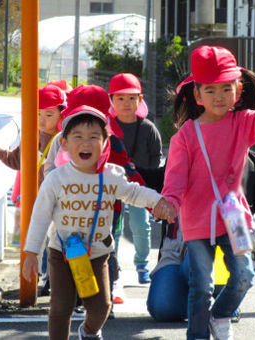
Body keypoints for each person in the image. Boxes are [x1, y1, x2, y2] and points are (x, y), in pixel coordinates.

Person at [161, 45, 255, 340]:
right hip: (196, 220)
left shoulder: (242, 123)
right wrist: (170, 201)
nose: (219, 96)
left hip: (236, 216)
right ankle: (197, 335)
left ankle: (220, 316)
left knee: (245, 276)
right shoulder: (185, 135)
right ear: (197, 95)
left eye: (226, 88)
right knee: (201, 286)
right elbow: (174, 177)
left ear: (237, 90)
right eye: (210, 90)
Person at [22, 105, 175, 340]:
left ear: (106, 143)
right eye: (78, 137)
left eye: (95, 137)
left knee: (102, 306)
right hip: (61, 251)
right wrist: (32, 252)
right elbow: (40, 216)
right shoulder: (55, 179)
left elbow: (134, 193)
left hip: (98, 252)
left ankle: (89, 332)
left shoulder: (112, 175)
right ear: (64, 144)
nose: (86, 143)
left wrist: (159, 201)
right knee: (61, 308)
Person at [43, 84, 147, 313]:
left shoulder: (109, 139)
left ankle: (102, 297)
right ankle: (86, 297)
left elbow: (125, 172)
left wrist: (147, 195)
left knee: (103, 251)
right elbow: (50, 169)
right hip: (76, 209)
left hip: (104, 208)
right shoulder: (63, 139)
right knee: (81, 250)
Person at [0, 84, 66, 295]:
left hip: (64, 199)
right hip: (40, 198)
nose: (42, 119)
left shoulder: (68, 137)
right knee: (45, 240)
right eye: (37, 113)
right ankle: (48, 279)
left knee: (58, 240)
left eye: (49, 114)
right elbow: (17, 160)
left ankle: (57, 280)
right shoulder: (33, 135)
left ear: (61, 113)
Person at [108, 72, 163, 284]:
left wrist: (143, 174)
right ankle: (113, 267)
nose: (126, 103)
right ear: (111, 100)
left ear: (140, 100)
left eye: (132, 98)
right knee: (114, 227)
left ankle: (142, 265)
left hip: (139, 184)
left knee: (141, 225)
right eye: (120, 98)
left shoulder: (148, 128)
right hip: (112, 186)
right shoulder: (106, 127)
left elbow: (156, 157)